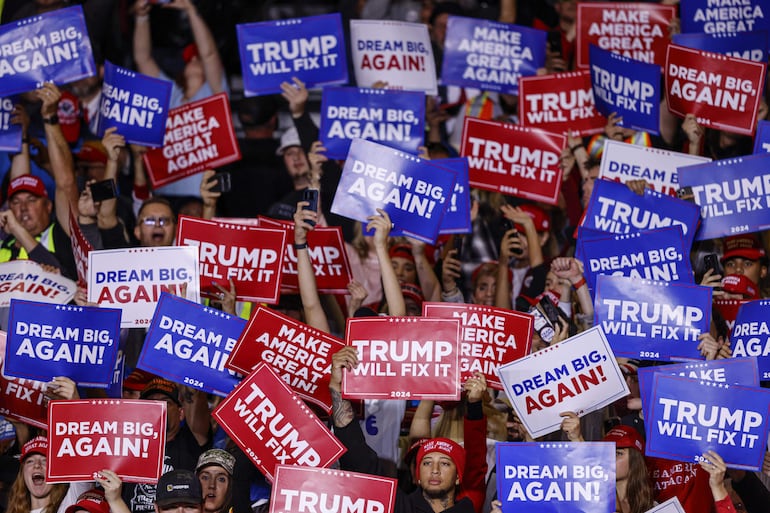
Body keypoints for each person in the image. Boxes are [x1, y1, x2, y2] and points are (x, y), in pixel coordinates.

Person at [329, 346, 477, 513]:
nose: (434, 470)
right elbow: (357, 454)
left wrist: (475, 405)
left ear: (458, 477)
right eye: (427, 463)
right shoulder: (400, 507)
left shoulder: (470, 508)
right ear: (417, 476)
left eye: (444, 463)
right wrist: (337, 387)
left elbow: (477, 453)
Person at [7, 437, 89, 513]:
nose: (37, 465)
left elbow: (84, 471)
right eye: (30, 461)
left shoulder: (69, 504)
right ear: (22, 473)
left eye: (45, 460)